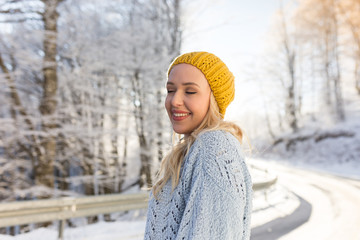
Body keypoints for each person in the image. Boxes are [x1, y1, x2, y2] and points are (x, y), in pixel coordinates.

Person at [144, 51, 252, 240]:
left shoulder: (213, 148)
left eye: (190, 91)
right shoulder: (193, 150)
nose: (174, 101)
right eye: (170, 90)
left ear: (214, 100)